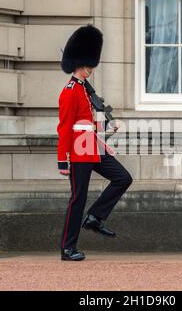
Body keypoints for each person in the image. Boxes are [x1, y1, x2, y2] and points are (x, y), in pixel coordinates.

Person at [57, 25, 133, 261]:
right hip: (79, 152)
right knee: (78, 198)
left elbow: (87, 125)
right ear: (78, 62)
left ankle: (95, 218)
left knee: (123, 178)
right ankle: (68, 248)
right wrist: (63, 160)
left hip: (91, 147)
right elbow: (66, 128)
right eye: (87, 64)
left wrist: (108, 128)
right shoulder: (70, 91)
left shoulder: (85, 90)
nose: (90, 69)